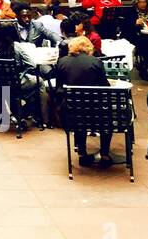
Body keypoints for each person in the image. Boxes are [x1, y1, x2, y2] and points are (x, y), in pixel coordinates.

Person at [47, 36, 114, 167]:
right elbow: (105, 87)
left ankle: (82, 152)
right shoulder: (96, 62)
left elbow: (59, 87)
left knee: (79, 114)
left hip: (71, 112)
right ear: (89, 48)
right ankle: (104, 153)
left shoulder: (62, 62)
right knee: (107, 114)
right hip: (96, 112)